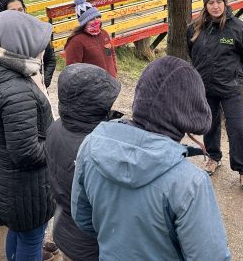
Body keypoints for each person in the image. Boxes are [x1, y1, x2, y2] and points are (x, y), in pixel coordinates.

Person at [71, 56, 231, 261]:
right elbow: (210, 257)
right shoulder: (190, 182)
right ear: (189, 113)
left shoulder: (91, 145)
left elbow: (82, 218)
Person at [0, 10, 56, 261]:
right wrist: (57, 144)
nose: (44, 50)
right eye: (40, 45)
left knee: (19, 232)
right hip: (24, 189)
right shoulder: (17, 92)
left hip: (0, 176)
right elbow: (26, 153)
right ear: (22, 44)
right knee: (32, 238)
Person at [46, 63, 122, 261]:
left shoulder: (56, 127)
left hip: (65, 229)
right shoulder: (95, 149)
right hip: (90, 244)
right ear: (93, 105)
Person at [186, 0, 243, 191]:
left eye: (219, 2)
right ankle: (213, 157)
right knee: (210, 124)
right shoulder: (194, 28)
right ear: (205, 5)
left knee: (236, 128)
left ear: (225, 3)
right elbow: (191, 52)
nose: (215, 6)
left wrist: (235, 74)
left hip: (231, 88)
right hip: (206, 87)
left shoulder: (238, 28)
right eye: (211, 3)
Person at [0, 0, 57, 88]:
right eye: (12, 11)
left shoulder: (37, 30)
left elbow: (50, 59)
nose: (18, 14)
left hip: (38, 88)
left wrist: (44, 81)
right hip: (13, 92)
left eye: (20, 9)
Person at [62, 0, 117, 78]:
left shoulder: (104, 34)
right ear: (84, 22)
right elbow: (72, 70)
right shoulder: (76, 41)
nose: (96, 21)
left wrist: (114, 72)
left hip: (110, 82)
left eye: (97, 17)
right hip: (92, 87)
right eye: (92, 19)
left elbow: (111, 54)